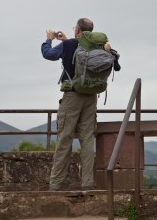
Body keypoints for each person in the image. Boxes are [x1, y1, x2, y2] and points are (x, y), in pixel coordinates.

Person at [41, 18, 119, 191]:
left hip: (72, 97)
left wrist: (48, 39)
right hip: (91, 97)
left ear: (77, 30)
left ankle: (55, 185)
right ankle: (87, 184)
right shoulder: (97, 47)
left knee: (64, 139)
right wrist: (67, 40)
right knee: (87, 140)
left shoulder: (69, 45)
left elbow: (49, 54)